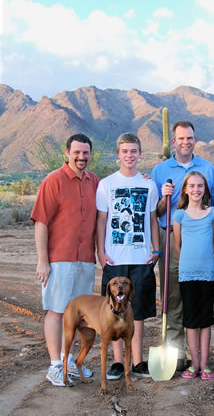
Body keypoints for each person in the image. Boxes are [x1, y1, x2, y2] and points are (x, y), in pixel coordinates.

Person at [151, 121, 214, 370]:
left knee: (195, 295)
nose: (185, 142)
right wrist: (163, 198)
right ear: (173, 142)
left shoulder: (207, 167)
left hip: (199, 239)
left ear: (195, 140)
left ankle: (197, 355)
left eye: (190, 138)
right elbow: (156, 211)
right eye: (181, 138)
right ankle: (175, 351)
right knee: (172, 295)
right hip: (170, 235)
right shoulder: (160, 169)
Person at [31, 133, 99, 386]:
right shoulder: (53, 181)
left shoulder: (94, 182)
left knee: (76, 314)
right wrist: (43, 261)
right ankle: (55, 366)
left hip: (85, 259)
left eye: (85, 153)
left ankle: (69, 360)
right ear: (67, 153)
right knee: (57, 311)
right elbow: (41, 222)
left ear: (90, 154)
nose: (81, 157)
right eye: (77, 152)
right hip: (59, 259)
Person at [96, 133, 160, 380]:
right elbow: (101, 221)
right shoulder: (107, 184)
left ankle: (138, 361)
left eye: (134, 151)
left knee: (139, 311)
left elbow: (153, 219)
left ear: (140, 154)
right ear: (118, 154)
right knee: (114, 309)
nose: (129, 155)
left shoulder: (149, 184)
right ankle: (118, 362)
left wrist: (155, 250)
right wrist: (101, 252)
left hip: (141, 257)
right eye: (125, 151)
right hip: (115, 258)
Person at [173, 171, 214, 379]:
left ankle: (205, 363)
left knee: (205, 319)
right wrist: (188, 263)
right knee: (191, 320)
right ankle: (194, 363)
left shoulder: (213, 213)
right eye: (191, 186)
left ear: (205, 189)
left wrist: (204, 263)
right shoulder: (179, 215)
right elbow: (177, 247)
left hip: (207, 272)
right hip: (187, 273)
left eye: (200, 186)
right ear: (185, 189)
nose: (196, 190)